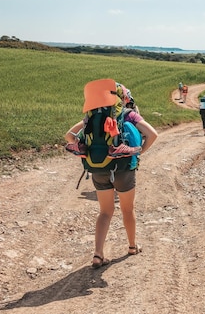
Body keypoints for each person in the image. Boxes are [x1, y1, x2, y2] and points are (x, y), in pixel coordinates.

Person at [65, 81, 158, 269]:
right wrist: (138, 152)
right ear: (123, 98)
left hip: (98, 168)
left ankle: (98, 255)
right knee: (127, 209)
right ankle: (132, 246)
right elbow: (153, 134)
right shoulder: (128, 114)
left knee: (105, 212)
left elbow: (69, 135)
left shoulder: (91, 117)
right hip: (124, 168)